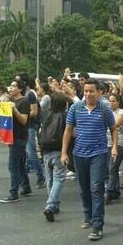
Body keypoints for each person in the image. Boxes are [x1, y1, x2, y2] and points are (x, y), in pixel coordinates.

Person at [61, 78, 118, 241]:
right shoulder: (75, 108)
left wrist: (114, 147)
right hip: (79, 154)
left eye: (91, 91)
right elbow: (67, 131)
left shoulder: (104, 109)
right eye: (85, 91)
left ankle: (97, 226)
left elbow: (113, 129)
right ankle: (88, 215)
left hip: (98, 154)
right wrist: (64, 153)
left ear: (98, 92)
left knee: (96, 188)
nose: (88, 94)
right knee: (84, 188)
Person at [0, 80, 31, 203]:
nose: (11, 88)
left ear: (20, 89)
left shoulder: (23, 102)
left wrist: (14, 110)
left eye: (13, 86)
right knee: (21, 165)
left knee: (13, 166)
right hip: (12, 135)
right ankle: (26, 187)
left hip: (19, 137)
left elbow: (23, 120)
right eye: (10, 86)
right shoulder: (12, 101)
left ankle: (13, 193)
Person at [40, 92, 68, 221]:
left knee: (50, 179)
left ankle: (54, 205)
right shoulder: (64, 115)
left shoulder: (46, 114)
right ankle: (51, 205)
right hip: (59, 150)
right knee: (59, 178)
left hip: (46, 150)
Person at [105, 93, 123, 203]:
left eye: (114, 101)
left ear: (119, 102)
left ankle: (109, 192)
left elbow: (115, 125)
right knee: (111, 168)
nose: (111, 103)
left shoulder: (121, 112)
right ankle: (115, 191)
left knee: (112, 168)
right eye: (110, 100)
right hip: (107, 143)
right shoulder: (108, 112)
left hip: (119, 143)